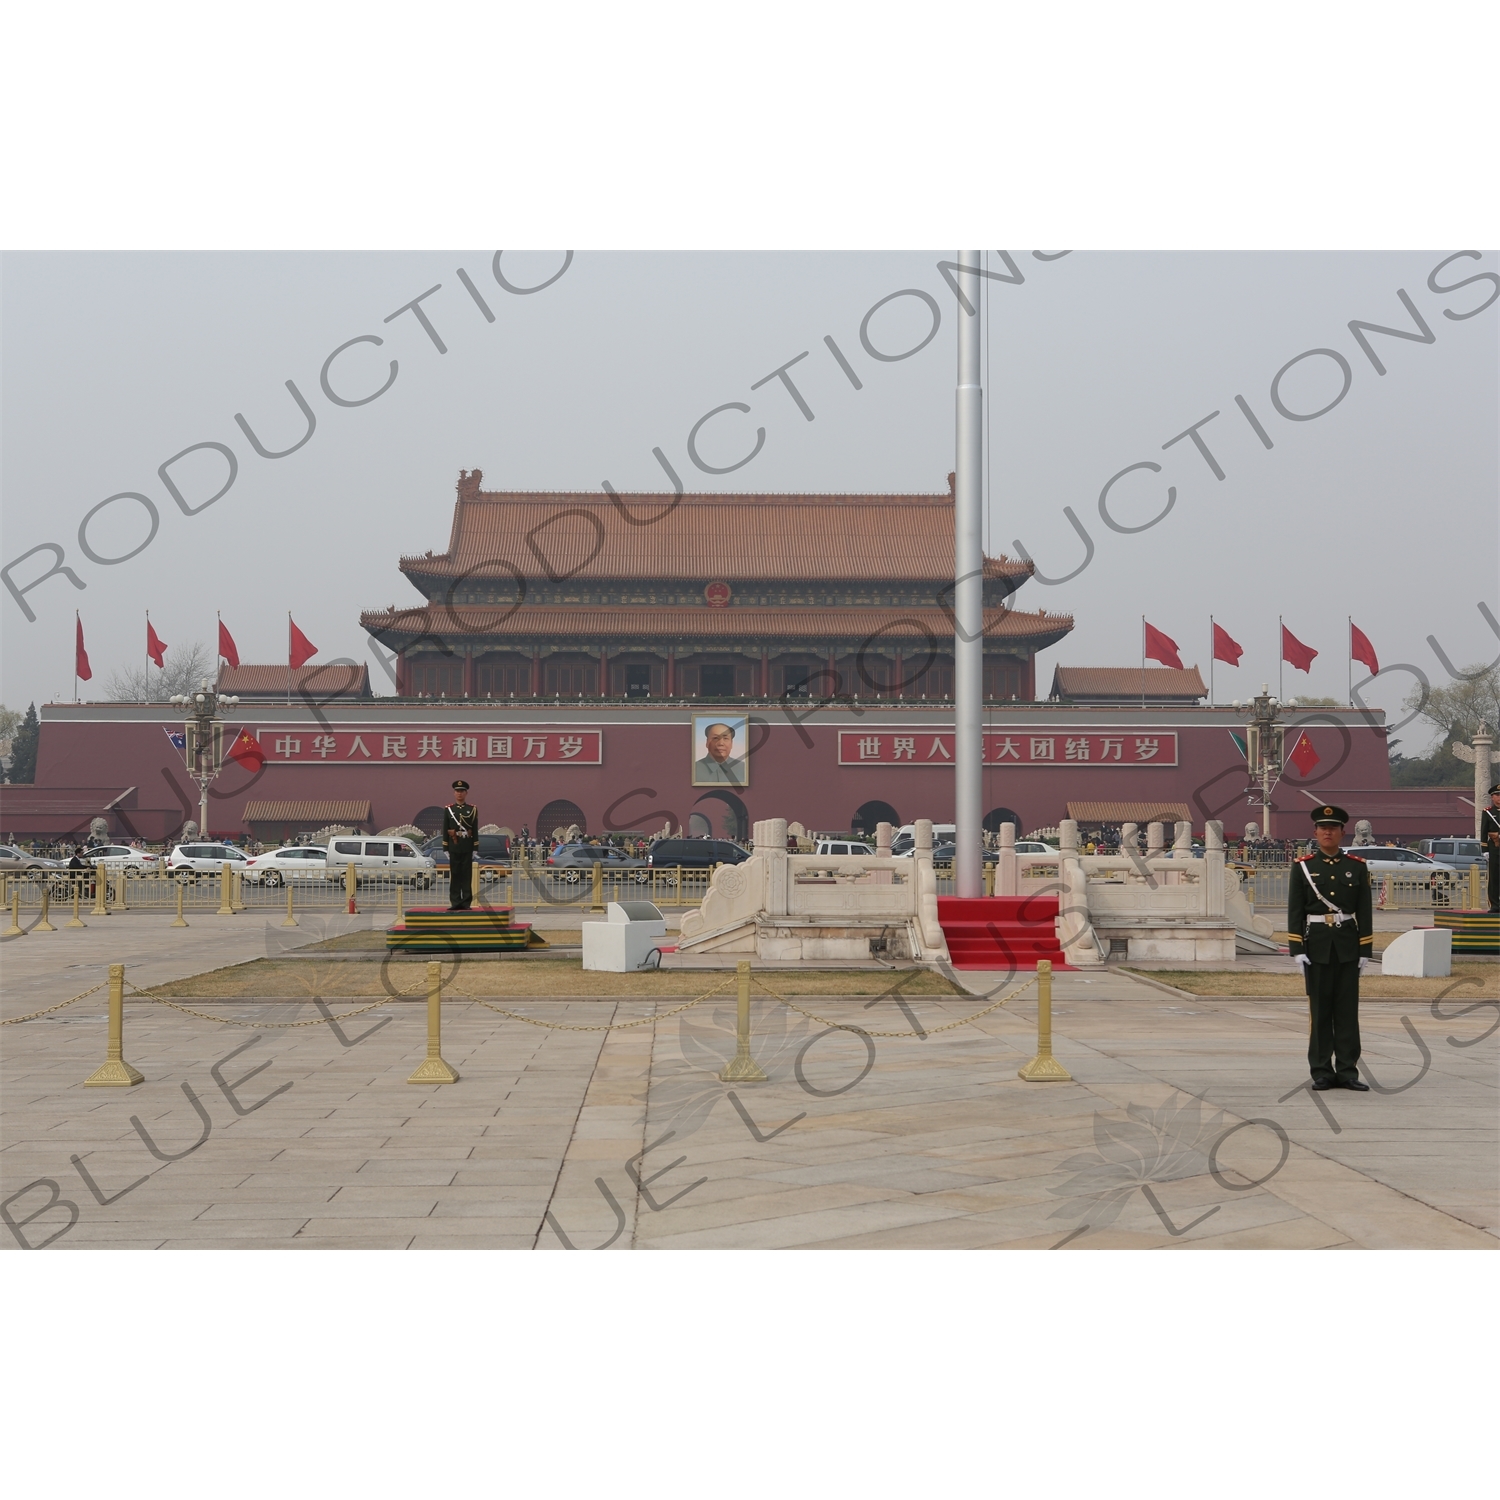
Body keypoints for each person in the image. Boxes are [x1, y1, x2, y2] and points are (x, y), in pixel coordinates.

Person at [1288, 805, 1373, 1092]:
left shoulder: (1357, 866)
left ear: (1342, 832)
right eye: (1323, 828)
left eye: (1333, 828)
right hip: (1317, 946)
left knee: (1347, 1011)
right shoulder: (1303, 867)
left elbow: (1365, 910)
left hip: (1348, 945)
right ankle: (1322, 1071)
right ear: (1315, 832)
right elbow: (1295, 910)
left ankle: (1348, 1071)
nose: (1328, 832)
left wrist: (1365, 950)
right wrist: (1296, 947)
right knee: (1320, 1010)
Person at [443, 780, 479, 910]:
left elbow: (474, 829)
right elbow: (445, 829)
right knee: (455, 875)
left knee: (466, 875)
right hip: (454, 846)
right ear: (454, 793)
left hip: (467, 846)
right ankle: (455, 902)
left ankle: (466, 902)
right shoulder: (448, 810)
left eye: (462, 791)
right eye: (457, 791)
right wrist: (445, 847)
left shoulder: (472, 809)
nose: (459, 794)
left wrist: (475, 847)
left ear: (466, 793)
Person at [694, 720, 747, 785]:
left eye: (725, 738)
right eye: (715, 738)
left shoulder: (745, 769)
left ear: (731, 743)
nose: (721, 743)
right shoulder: (692, 770)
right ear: (707, 743)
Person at [1482, 783, 1500, 913]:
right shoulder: (1488, 812)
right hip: (1494, 848)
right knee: (1494, 877)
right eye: (1497, 795)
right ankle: (1495, 904)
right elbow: (1484, 831)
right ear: (1492, 797)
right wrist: (1485, 850)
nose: (1499, 798)